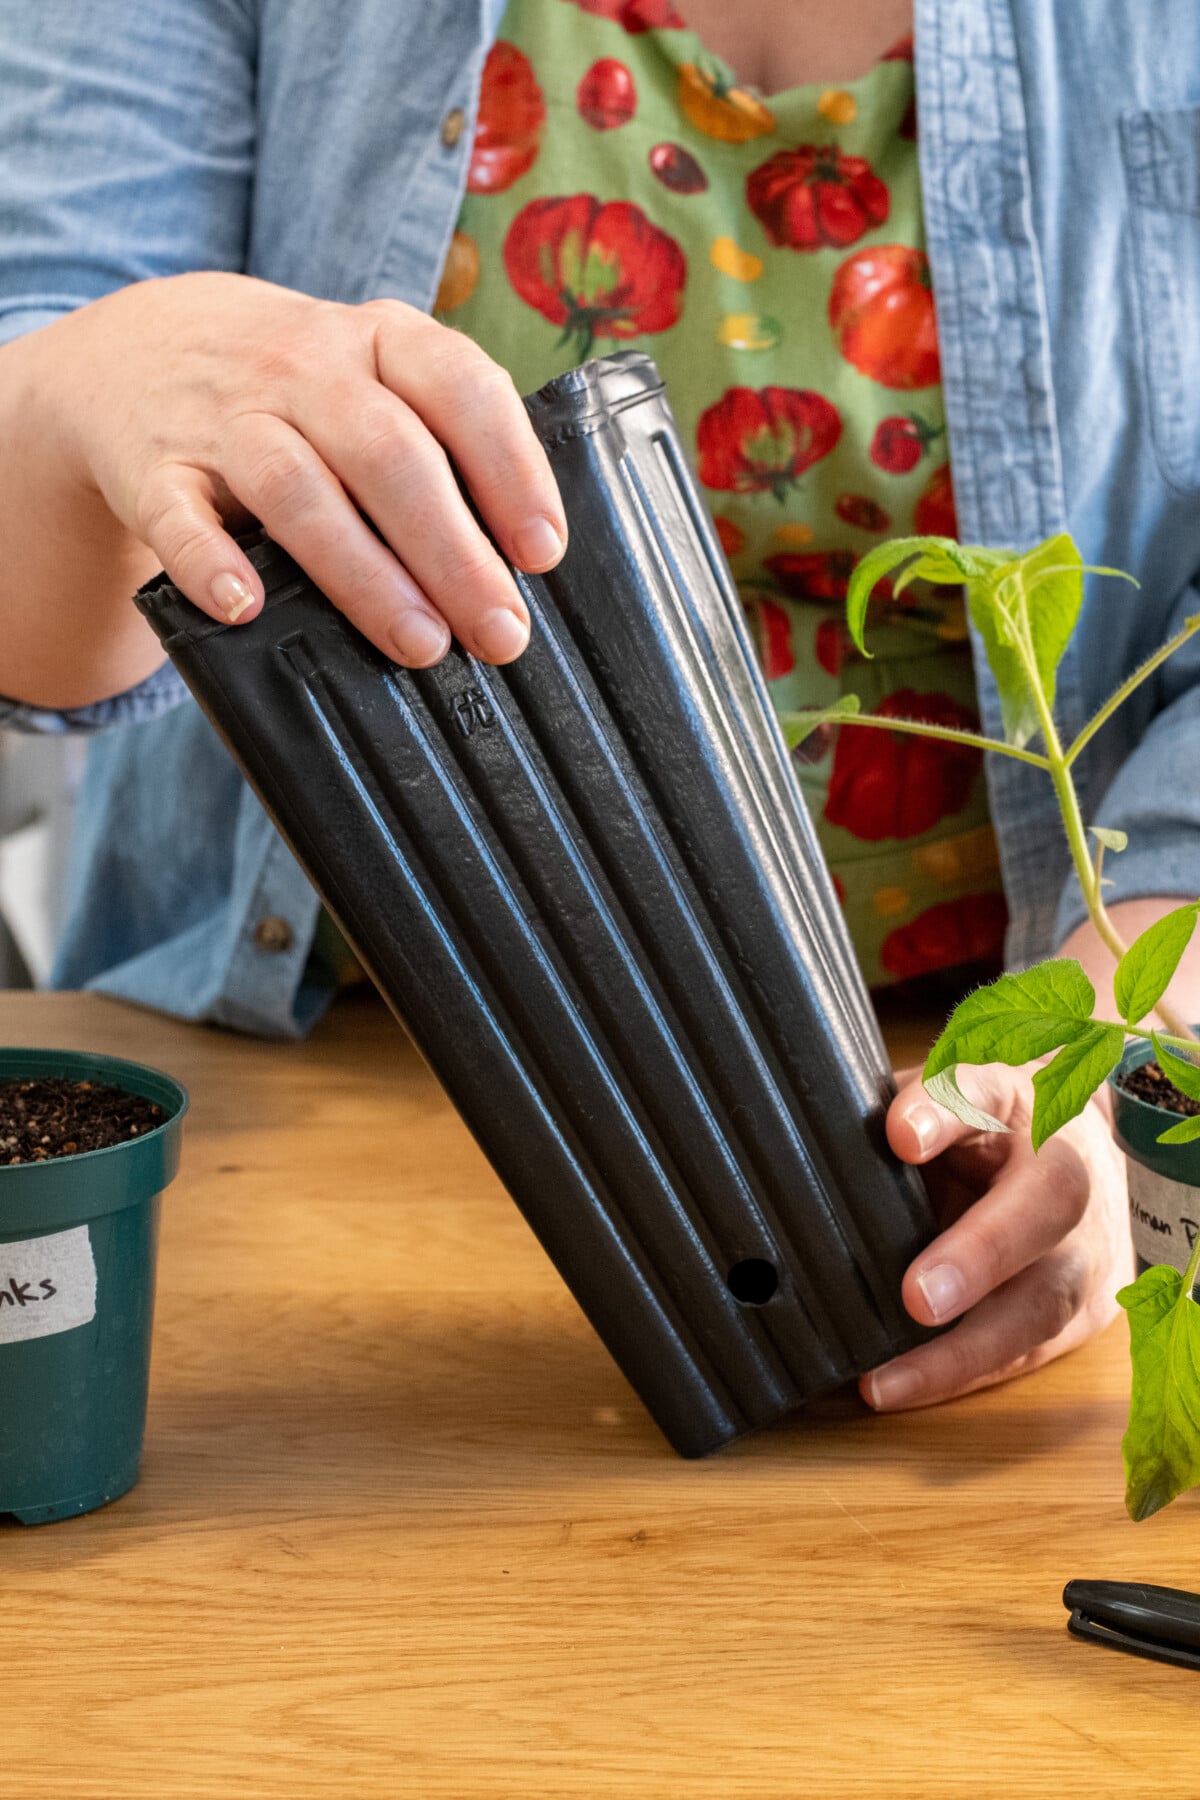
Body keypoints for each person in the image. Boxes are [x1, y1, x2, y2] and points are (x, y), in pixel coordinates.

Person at [2, 0, 1199, 1416]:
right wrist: (102, 372)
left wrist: (1121, 1062)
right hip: (296, 1089)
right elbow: (37, 625)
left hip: (959, 1114)